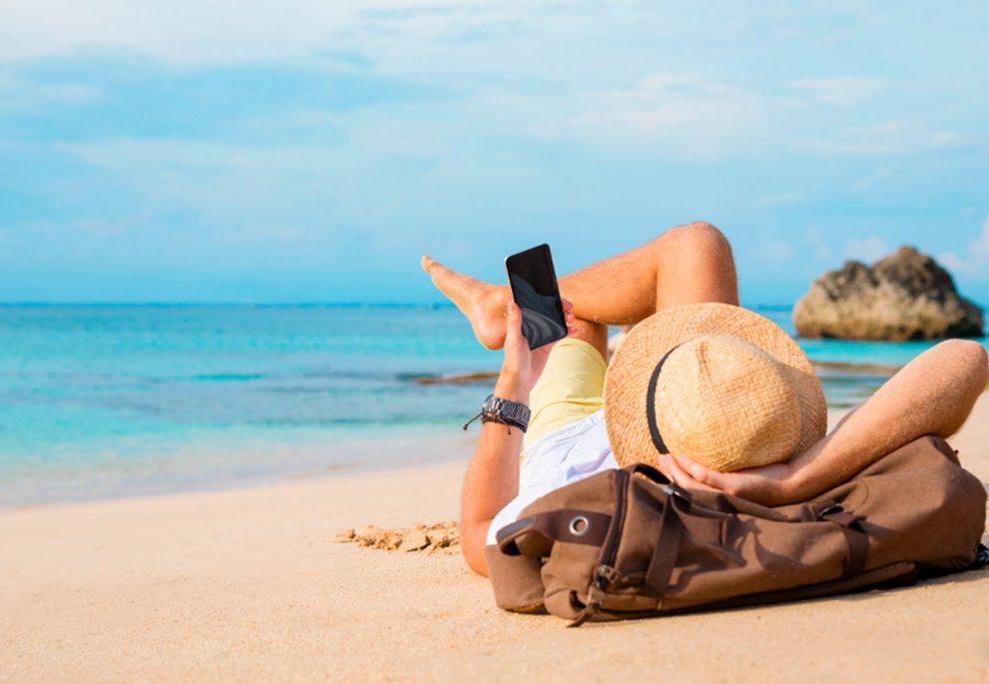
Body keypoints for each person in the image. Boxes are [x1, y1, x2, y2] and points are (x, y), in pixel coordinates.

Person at [420, 222, 989, 577]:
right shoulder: (765, 454)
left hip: (575, 434)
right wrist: (791, 480)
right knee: (698, 245)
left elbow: (480, 528)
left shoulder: (582, 509)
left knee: (575, 326)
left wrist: (512, 383)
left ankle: (502, 308)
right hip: (686, 402)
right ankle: (506, 305)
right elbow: (968, 358)